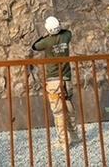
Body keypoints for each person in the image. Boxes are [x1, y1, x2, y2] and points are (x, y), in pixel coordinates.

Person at [32, 16, 80, 148]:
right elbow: (67, 31)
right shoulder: (66, 36)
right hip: (66, 78)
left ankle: (63, 141)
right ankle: (74, 136)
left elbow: (35, 46)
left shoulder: (46, 42)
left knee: (58, 111)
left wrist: (45, 35)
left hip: (53, 80)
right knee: (69, 107)